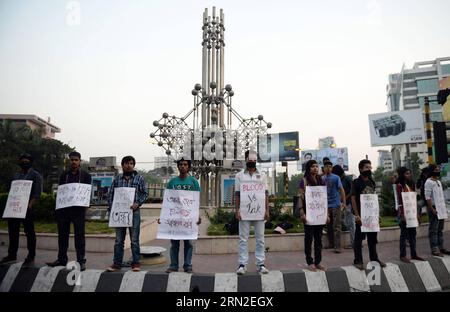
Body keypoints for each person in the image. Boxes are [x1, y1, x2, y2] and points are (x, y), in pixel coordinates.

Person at [46, 151, 92, 271]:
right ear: (69, 161)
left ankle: (81, 261)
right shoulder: (64, 175)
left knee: (79, 237)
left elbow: (88, 192)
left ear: (80, 161)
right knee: (62, 236)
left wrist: (86, 206)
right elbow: (61, 192)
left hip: (78, 211)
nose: (74, 162)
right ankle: (62, 259)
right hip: (64, 210)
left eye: (76, 160)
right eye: (72, 160)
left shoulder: (86, 175)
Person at [107, 156, 148, 272]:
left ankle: (136, 263)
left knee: (134, 240)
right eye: (126, 163)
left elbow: (145, 193)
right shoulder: (117, 179)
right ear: (122, 165)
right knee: (119, 240)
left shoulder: (139, 178)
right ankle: (116, 264)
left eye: (131, 163)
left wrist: (138, 203)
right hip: (119, 213)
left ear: (133, 165)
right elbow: (111, 194)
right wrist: (111, 209)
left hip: (133, 213)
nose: (129, 165)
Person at [0, 154, 43, 266]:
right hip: (14, 208)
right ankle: (11, 255)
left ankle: (31, 256)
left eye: (26, 161)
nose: (24, 163)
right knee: (12, 231)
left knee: (29, 232)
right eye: (22, 161)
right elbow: (12, 192)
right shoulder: (16, 175)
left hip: (27, 208)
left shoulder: (35, 175)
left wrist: (30, 205)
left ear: (30, 162)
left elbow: (37, 193)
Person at [235, 150, 270, 275]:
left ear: (256, 160)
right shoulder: (239, 176)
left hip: (260, 212)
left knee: (260, 239)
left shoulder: (263, 175)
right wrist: (237, 210)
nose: (252, 162)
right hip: (244, 212)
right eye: (249, 160)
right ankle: (242, 264)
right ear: (246, 160)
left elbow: (266, 194)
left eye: (254, 160)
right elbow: (237, 194)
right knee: (243, 239)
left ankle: (261, 264)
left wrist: (267, 209)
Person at [164, 157, 201, 273]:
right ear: (178, 166)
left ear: (188, 167)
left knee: (188, 243)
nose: (183, 166)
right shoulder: (172, 182)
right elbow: (167, 201)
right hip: (175, 217)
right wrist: (163, 216)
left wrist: (197, 215)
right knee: (174, 243)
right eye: (180, 164)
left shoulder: (193, 182)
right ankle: (173, 265)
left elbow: (196, 200)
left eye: (185, 165)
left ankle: (188, 266)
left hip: (189, 218)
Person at [351, 159, 386, 270]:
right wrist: (356, 215)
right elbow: (352, 199)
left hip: (371, 216)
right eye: (366, 167)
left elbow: (374, 199)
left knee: (372, 239)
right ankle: (358, 261)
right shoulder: (356, 182)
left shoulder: (372, 182)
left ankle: (374, 259)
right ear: (361, 169)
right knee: (358, 239)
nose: (369, 169)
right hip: (361, 216)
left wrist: (377, 214)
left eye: (370, 167)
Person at [299, 159, 329, 271]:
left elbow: (324, 199)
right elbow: (300, 197)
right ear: (308, 168)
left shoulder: (321, 181)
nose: (315, 168)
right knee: (309, 239)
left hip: (320, 215)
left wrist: (327, 214)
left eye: (316, 166)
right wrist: (302, 212)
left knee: (318, 239)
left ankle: (318, 262)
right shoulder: (304, 181)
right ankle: (309, 261)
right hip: (308, 214)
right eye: (312, 166)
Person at [395, 167, 425, 263]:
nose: (409, 175)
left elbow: (413, 200)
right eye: (407, 173)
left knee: (413, 234)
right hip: (404, 213)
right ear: (402, 174)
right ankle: (402, 255)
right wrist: (402, 214)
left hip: (412, 212)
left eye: (409, 173)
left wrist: (417, 213)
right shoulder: (399, 185)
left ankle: (414, 254)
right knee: (404, 235)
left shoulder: (411, 183)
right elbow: (399, 200)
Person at [424, 164, 450, 257]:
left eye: (438, 169)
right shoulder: (428, 182)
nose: (438, 171)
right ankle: (434, 248)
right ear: (431, 171)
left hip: (441, 208)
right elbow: (427, 197)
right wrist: (432, 209)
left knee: (440, 229)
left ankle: (441, 247)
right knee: (433, 230)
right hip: (434, 208)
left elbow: (441, 196)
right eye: (436, 169)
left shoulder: (438, 182)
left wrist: (444, 208)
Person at [322, 161, 346, 253]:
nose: (328, 168)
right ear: (323, 168)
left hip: (336, 204)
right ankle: (331, 244)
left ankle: (337, 246)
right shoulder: (322, 179)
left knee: (337, 226)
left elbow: (341, 190)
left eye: (329, 166)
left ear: (331, 168)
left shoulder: (336, 178)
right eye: (326, 166)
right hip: (326, 205)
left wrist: (343, 202)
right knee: (328, 226)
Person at [332, 165, 355, 249]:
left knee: (351, 223)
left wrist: (345, 197)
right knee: (347, 222)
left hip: (349, 203)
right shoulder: (340, 179)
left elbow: (352, 190)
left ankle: (354, 243)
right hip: (343, 203)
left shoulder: (347, 179)